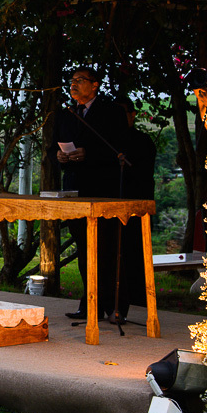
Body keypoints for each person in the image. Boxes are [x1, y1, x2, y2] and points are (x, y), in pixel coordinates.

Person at [48, 66, 128, 321]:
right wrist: (59, 156)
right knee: (84, 247)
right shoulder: (65, 115)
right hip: (74, 188)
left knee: (108, 248)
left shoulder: (111, 112)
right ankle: (89, 302)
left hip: (103, 188)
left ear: (95, 85)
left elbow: (121, 146)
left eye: (80, 80)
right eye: (71, 81)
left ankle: (115, 305)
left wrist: (89, 154)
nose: (73, 85)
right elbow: (51, 148)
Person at [118, 99, 158, 321]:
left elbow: (144, 175)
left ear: (133, 115)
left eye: (123, 113)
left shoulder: (143, 141)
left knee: (135, 255)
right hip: (113, 204)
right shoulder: (111, 140)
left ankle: (138, 302)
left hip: (136, 205)